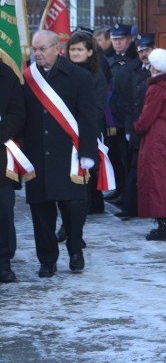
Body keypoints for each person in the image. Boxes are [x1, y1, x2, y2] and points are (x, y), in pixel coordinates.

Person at [21, 30, 97, 277]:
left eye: (42, 49)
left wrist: (87, 152)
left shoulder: (79, 77)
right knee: (41, 211)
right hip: (38, 154)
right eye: (34, 49)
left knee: (73, 207)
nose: (38, 54)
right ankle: (47, 259)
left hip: (69, 155)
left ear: (57, 49)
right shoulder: (28, 78)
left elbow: (88, 118)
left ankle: (75, 250)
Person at [56, 31, 108, 245]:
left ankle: (75, 230)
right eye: (72, 49)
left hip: (86, 137)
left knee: (82, 187)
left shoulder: (97, 75)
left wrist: (79, 129)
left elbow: (96, 108)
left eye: (79, 49)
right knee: (61, 184)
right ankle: (66, 225)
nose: (75, 53)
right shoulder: (62, 73)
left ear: (89, 51)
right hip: (61, 136)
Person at [133, 48, 166, 241]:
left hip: (157, 141)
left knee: (157, 183)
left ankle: (165, 226)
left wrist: (136, 127)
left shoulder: (156, 88)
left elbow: (147, 118)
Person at [113, 33, 154, 220]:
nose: (143, 54)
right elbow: (124, 101)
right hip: (132, 127)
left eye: (146, 49)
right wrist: (128, 127)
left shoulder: (157, 73)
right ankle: (131, 205)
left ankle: (138, 205)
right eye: (140, 50)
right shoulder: (129, 70)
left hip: (149, 127)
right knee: (131, 166)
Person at [103, 23, 137, 204]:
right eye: (114, 39)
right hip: (110, 117)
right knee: (113, 154)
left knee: (126, 157)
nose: (117, 43)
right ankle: (118, 187)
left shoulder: (133, 62)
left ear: (129, 39)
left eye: (121, 39)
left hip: (125, 117)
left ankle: (127, 191)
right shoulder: (108, 60)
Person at [0, 59, 26, 283]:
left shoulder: (7, 76)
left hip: (1, 156)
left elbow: (18, 115)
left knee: (3, 209)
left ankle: (3, 262)